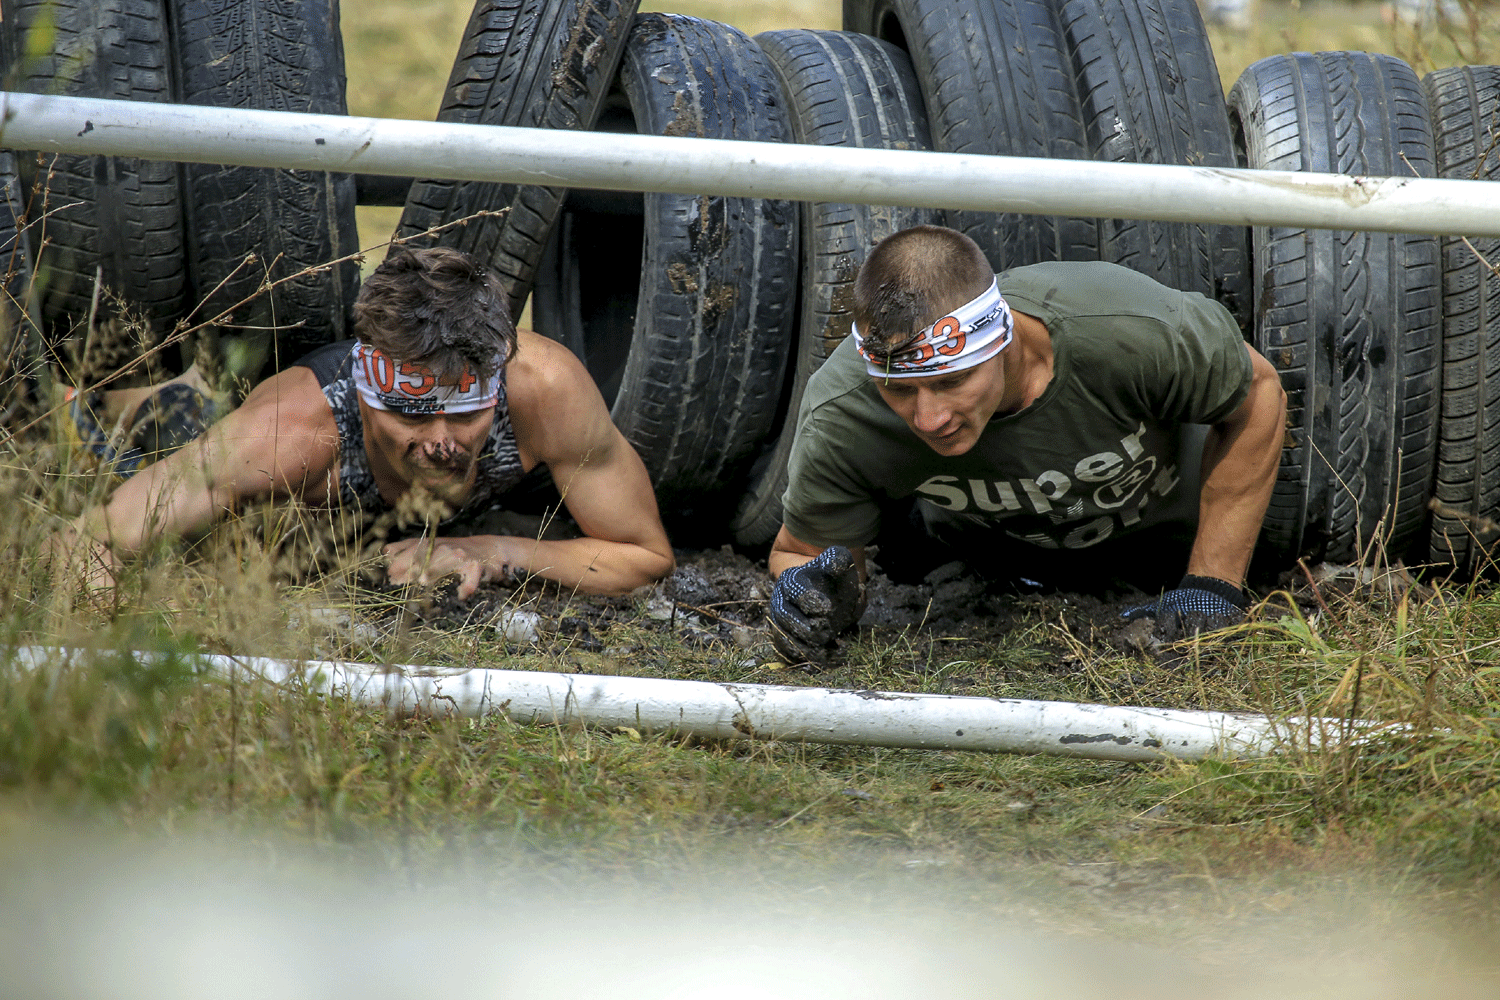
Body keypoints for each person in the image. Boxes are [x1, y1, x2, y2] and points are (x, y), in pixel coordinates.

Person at [767, 225, 1286, 663]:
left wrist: (1212, 583)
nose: (928, 418)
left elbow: (1258, 396)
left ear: (1004, 340)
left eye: (951, 381)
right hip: (991, 577)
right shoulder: (844, 412)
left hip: (1169, 549)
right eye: (899, 390)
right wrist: (813, 597)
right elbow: (800, 552)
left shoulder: (1124, 330)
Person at [52, 246, 675, 597]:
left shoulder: (545, 388)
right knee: (171, 420)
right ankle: (89, 402)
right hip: (242, 439)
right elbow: (88, 539)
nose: (440, 444)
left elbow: (643, 556)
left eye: (464, 416)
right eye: (408, 414)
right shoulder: (291, 433)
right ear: (371, 396)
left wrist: (484, 549)